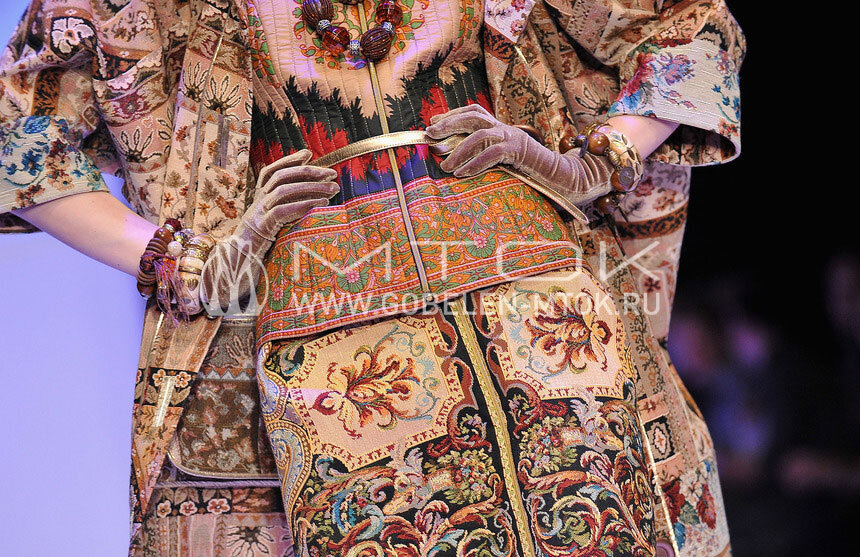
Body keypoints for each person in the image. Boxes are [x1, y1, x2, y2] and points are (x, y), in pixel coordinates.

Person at [0, 0, 744, 555]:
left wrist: (591, 164)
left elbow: (689, 26)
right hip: (328, 344)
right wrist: (183, 260)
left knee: (595, 523)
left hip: (540, 303)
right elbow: (19, 132)